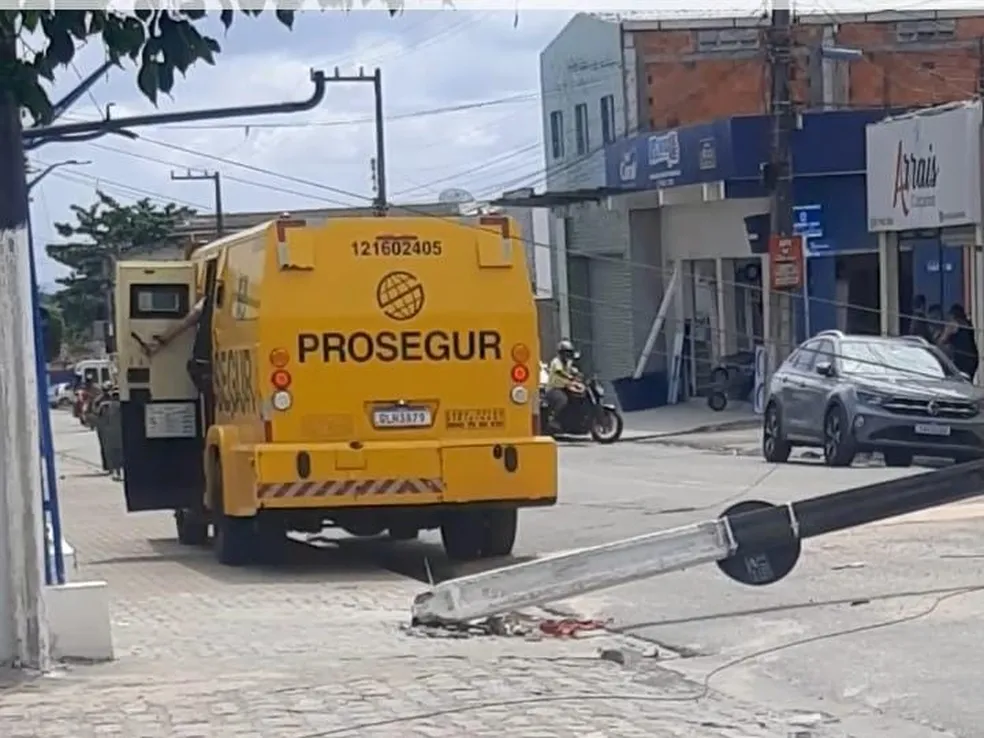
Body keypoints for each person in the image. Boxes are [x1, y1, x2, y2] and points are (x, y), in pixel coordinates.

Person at [544, 339, 580, 429]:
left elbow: (572, 370)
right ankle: (552, 419)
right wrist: (569, 377)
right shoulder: (556, 361)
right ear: (560, 353)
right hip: (554, 389)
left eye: (569, 352)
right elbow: (559, 372)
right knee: (562, 400)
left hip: (564, 388)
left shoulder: (567, 363)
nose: (567, 354)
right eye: (565, 352)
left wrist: (577, 374)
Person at [939, 303, 979, 380]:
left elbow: (942, 340)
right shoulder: (968, 323)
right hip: (972, 359)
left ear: (953, 315)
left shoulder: (954, 324)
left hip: (962, 360)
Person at [94, 384, 124, 480]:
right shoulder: (122, 406)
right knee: (118, 453)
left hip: (109, 433)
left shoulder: (105, 405)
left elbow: (97, 415)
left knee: (112, 453)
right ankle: (116, 471)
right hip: (117, 433)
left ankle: (116, 471)